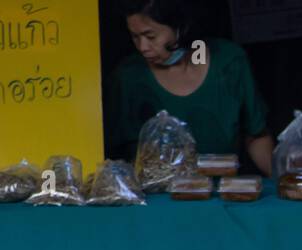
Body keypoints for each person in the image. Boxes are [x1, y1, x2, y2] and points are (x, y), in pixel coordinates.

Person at [104, 0, 274, 175]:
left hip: (223, 195)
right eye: (135, 37)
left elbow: (256, 135)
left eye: (151, 36)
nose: (143, 47)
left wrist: (279, 181)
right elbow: (114, 153)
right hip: (158, 197)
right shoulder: (128, 76)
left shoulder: (229, 63)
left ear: (181, 28)